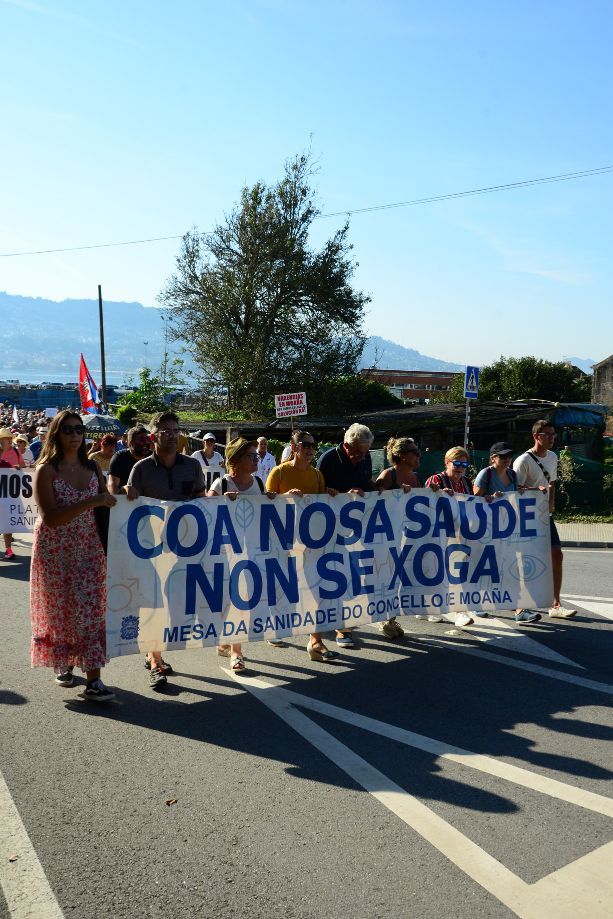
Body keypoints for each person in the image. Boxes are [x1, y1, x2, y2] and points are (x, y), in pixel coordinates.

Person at [30, 410, 117, 701]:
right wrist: (92, 500)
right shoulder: (46, 470)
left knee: (92, 611)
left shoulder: (93, 467)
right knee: (62, 610)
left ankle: (94, 680)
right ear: (57, 433)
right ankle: (64, 662)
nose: (75, 435)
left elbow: (106, 500)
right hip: (54, 549)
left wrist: (129, 495)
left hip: (88, 546)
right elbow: (51, 518)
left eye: (79, 430)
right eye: (68, 430)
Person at [126, 411, 207, 689]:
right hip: (150, 549)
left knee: (174, 605)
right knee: (153, 604)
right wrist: (128, 495)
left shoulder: (192, 467)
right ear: (153, 437)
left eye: (175, 430)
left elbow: (200, 502)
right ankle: (155, 659)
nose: (172, 435)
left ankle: (154, 653)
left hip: (184, 548)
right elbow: (129, 508)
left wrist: (224, 501)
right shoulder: (141, 470)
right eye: (165, 431)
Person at [267, 430, 340, 661]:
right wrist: (284, 497)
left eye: (312, 445)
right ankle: (275, 626)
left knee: (315, 589)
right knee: (283, 590)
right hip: (284, 543)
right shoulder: (278, 472)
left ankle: (315, 641)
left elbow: (319, 508)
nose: (309, 449)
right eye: (305, 444)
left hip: (310, 542)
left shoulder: (317, 475)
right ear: (294, 446)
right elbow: (265, 504)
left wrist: (330, 494)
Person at [208, 437, 269, 673]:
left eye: (257, 455)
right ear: (235, 460)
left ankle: (233, 647)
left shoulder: (260, 484)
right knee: (229, 600)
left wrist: (275, 499)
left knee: (242, 600)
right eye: (251, 456)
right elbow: (205, 510)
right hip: (225, 553)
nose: (256, 459)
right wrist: (221, 502)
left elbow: (267, 516)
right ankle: (232, 645)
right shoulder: (221, 484)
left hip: (251, 552)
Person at [317, 423, 378, 647]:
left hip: (354, 530)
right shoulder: (328, 459)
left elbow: (365, 484)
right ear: (345, 446)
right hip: (327, 530)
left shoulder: (366, 458)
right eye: (358, 452)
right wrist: (338, 494)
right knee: (329, 577)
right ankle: (325, 622)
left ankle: (343, 627)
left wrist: (376, 490)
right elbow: (316, 493)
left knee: (350, 577)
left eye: (365, 452)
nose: (363, 457)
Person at [513, 420, 576, 619]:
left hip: (544, 516)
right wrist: (535, 491)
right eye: (546, 434)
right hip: (525, 517)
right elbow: (515, 491)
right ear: (536, 437)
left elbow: (552, 484)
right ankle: (520, 605)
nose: (551, 438)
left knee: (557, 555)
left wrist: (550, 507)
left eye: (553, 434)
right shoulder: (522, 461)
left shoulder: (553, 457)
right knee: (524, 561)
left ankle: (555, 604)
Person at [473, 442, 540, 625]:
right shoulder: (485, 474)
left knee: (512, 566)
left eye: (509, 456)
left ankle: (519, 609)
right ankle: (478, 602)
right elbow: (473, 499)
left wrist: (530, 492)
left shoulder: (512, 474)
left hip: (508, 529)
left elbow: (516, 498)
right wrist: (487, 497)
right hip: (486, 529)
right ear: (492, 458)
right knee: (488, 567)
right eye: (502, 456)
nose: (507, 460)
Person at [375, 436, 421, 639]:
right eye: (414, 452)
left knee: (399, 580)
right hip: (387, 538)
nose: (418, 455)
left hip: (407, 537)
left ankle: (390, 619)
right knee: (386, 577)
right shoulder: (388, 475)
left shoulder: (415, 477)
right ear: (402, 456)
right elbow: (373, 502)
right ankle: (384, 618)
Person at [424, 447, 474, 628]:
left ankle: (459, 610)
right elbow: (425, 501)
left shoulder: (467, 482)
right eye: (457, 463)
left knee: (456, 570)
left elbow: (472, 505)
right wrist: (439, 493)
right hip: (437, 531)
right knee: (436, 569)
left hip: (459, 532)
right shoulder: (436, 479)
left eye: (464, 464)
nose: (461, 468)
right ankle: (430, 607)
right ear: (447, 463)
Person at [1, 426, 24, 559]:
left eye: (10, 438)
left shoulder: (16, 452)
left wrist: (17, 468)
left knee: (8, 522)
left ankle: (8, 550)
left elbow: (24, 468)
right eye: (6, 438)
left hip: (11, 494)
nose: (9, 440)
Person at [107, 425, 152, 493]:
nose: (145, 442)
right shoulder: (119, 457)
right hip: (127, 500)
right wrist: (123, 490)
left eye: (147, 439)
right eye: (141, 439)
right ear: (131, 443)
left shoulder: (153, 457)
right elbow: (112, 486)